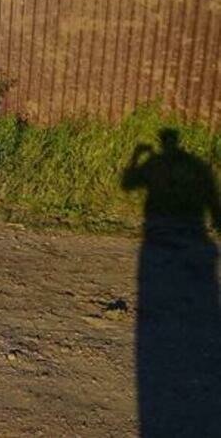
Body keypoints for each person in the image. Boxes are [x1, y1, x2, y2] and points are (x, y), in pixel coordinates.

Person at [122, 128, 221, 437]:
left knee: (162, 279)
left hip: (159, 231)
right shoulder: (194, 164)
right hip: (188, 230)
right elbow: (210, 193)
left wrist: (137, 157)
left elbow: (127, 184)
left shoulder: (159, 164)